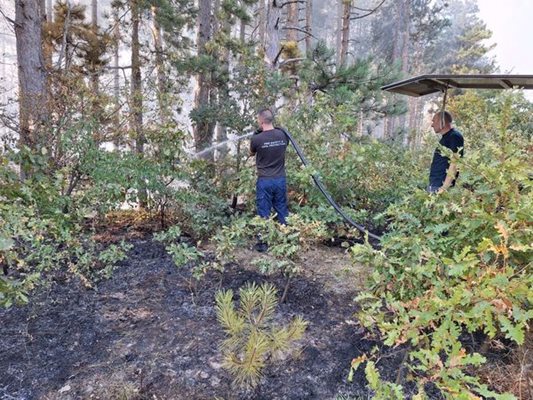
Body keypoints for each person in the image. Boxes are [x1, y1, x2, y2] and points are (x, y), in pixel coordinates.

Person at [250, 109, 289, 251]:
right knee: (282, 209)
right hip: (280, 179)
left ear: (260, 121)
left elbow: (251, 152)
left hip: (265, 181)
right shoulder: (283, 135)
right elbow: (285, 146)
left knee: (263, 211)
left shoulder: (256, 139)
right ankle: (286, 240)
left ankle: (263, 244)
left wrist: (256, 135)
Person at [428, 111, 464, 194]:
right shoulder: (446, 138)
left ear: (442, 121)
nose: (432, 125)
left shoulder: (454, 136)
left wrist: (444, 188)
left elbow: (455, 162)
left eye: (434, 121)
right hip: (435, 185)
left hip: (441, 187)